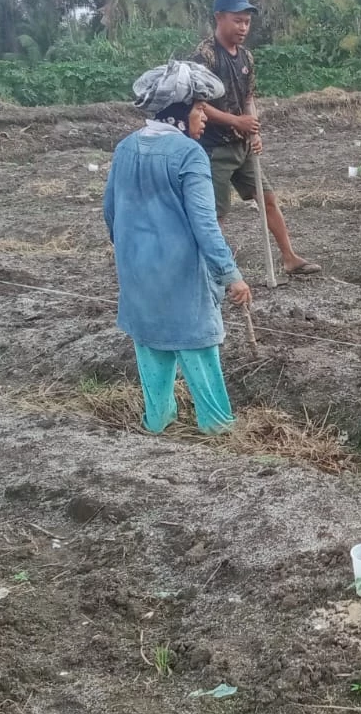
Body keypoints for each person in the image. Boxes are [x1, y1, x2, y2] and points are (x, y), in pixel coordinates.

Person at [104, 60, 253, 435]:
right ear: (180, 111)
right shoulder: (189, 155)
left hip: (137, 276)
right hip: (181, 279)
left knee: (152, 354)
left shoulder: (125, 149)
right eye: (200, 109)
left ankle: (157, 425)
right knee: (200, 355)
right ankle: (218, 430)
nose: (204, 118)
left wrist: (133, 254)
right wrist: (231, 275)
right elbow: (205, 226)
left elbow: (111, 214)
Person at [191, 0, 322, 277]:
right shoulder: (205, 56)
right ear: (219, 18)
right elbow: (197, 105)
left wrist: (254, 129)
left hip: (243, 146)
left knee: (268, 198)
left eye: (247, 22)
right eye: (237, 21)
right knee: (217, 214)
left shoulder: (247, 58)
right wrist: (235, 121)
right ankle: (212, 271)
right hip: (214, 149)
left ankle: (289, 257)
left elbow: (248, 97)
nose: (243, 28)